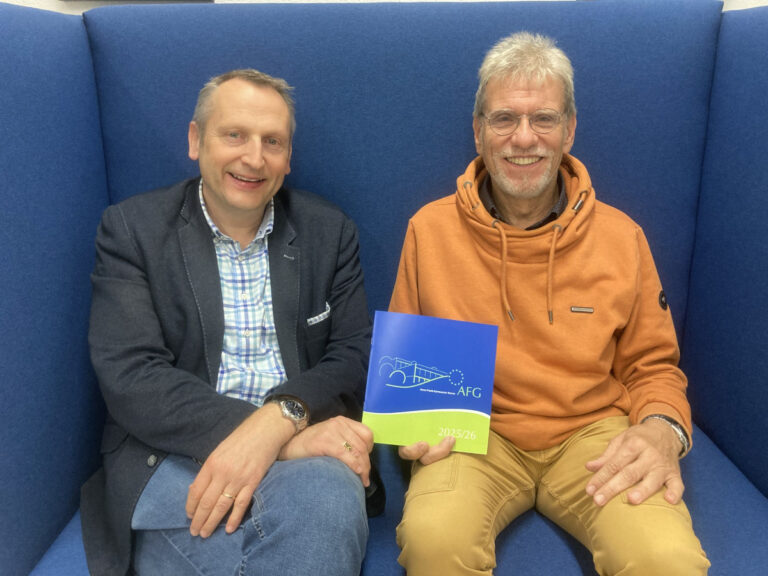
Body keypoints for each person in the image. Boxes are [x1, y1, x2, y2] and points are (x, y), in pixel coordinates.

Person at [390, 33, 710, 575]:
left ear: (569, 130)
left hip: (594, 434)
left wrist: (662, 430)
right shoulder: (429, 229)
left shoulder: (622, 237)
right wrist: (411, 426)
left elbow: (654, 367)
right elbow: (409, 366)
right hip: (476, 434)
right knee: (433, 541)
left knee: (666, 558)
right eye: (503, 119)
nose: (523, 138)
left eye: (543, 119)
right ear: (478, 131)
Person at [81, 69, 375, 576]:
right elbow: (132, 376)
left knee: (329, 497)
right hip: (171, 459)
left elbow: (352, 354)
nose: (254, 158)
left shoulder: (329, 232)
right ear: (196, 140)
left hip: (305, 468)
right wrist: (274, 436)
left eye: (272, 141)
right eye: (234, 135)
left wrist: (280, 419)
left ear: (288, 156)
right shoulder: (132, 230)